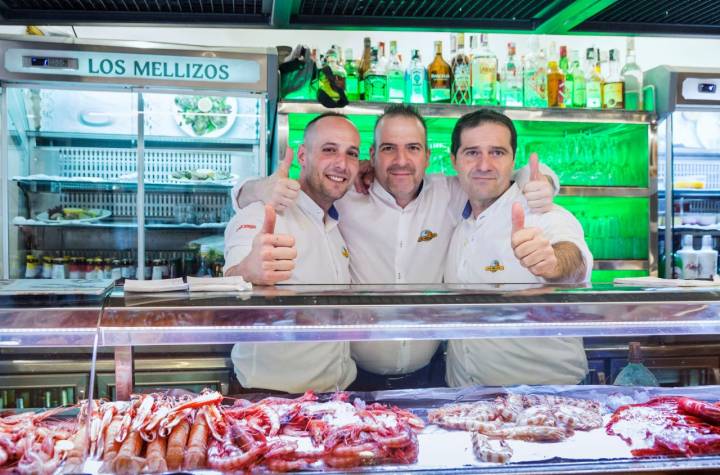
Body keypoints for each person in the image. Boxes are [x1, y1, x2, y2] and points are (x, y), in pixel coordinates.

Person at [236, 104, 559, 389]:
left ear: (429, 157)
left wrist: (540, 179)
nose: (401, 161)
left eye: (413, 148)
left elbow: (492, 175)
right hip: (355, 380)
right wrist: (256, 189)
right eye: (389, 148)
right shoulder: (343, 194)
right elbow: (253, 207)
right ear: (373, 156)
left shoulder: (450, 193)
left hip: (431, 376)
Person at [443, 109, 592, 387]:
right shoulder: (457, 219)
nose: (484, 165)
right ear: (454, 161)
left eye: (497, 153)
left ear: (513, 160)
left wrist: (553, 263)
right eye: (472, 152)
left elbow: (573, 258)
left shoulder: (540, 212)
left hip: (547, 397)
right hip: (466, 399)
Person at [223, 112, 360, 393]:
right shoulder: (264, 211)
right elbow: (230, 282)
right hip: (270, 400)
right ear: (302, 156)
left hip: (335, 396)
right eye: (329, 150)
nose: (341, 164)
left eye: (352, 154)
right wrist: (248, 271)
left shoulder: (333, 224)